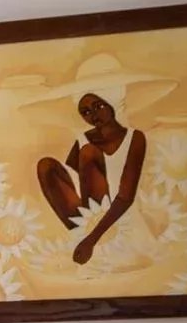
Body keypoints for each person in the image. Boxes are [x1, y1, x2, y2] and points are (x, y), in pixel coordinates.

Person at [36, 92, 148, 265]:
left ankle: (88, 239)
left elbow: (126, 197)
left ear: (110, 105)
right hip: (89, 215)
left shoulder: (135, 137)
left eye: (98, 106)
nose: (94, 115)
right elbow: (74, 182)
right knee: (45, 165)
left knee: (89, 152)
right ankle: (80, 235)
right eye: (86, 112)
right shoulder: (83, 139)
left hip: (117, 214)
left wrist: (91, 239)